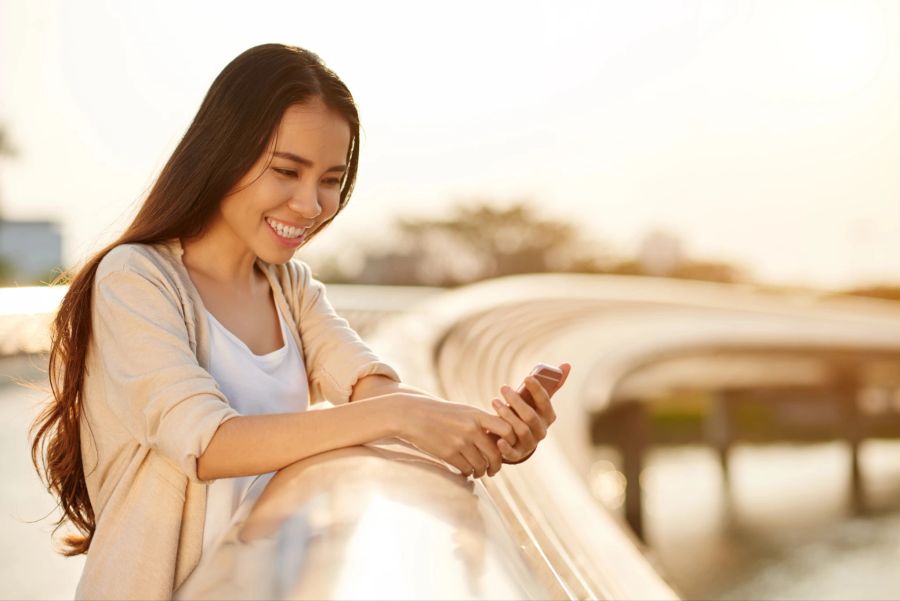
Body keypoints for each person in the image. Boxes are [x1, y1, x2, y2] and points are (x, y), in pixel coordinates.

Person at [30, 43, 571, 600]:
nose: (310, 205)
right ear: (222, 153)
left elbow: (367, 387)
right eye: (287, 171)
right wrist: (401, 415)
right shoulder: (136, 279)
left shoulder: (290, 287)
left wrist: (483, 431)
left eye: (331, 180)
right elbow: (209, 444)